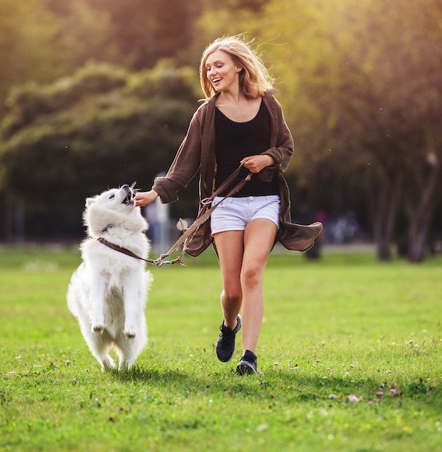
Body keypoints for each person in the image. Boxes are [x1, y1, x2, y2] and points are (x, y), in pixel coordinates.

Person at [135, 35, 322, 375]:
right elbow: (185, 164)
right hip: (225, 206)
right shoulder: (206, 115)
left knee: (253, 273)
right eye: (208, 68)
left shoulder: (268, 105)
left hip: (266, 201)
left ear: (238, 66)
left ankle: (249, 356)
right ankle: (228, 325)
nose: (212, 71)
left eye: (218, 65)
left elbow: (286, 147)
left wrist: (266, 158)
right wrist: (156, 193)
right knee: (232, 290)